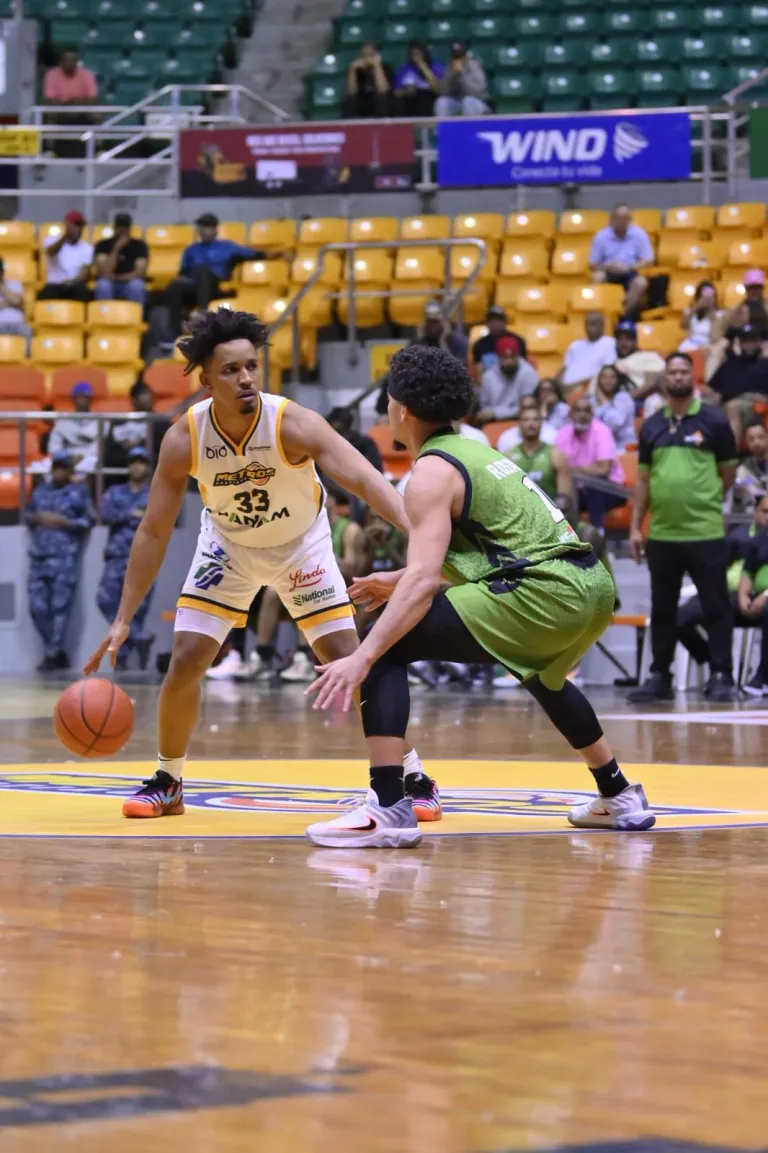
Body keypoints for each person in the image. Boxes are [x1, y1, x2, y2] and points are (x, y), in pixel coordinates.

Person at [83, 309, 436, 823]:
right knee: (185, 661)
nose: (246, 377)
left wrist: (423, 534)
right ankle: (169, 778)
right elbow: (153, 530)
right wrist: (122, 618)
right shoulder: (184, 438)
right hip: (228, 546)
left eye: (251, 366)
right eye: (231, 370)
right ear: (205, 379)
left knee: (351, 661)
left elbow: (365, 481)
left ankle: (413, 774)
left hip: (301, 546)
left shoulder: (291, 422)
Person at [302, 344, 656, 848]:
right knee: (540, 675)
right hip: (590, 585)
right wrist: (398, 578)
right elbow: (488, 553)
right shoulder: (482, 453)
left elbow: (427, 582)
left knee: (384, 645)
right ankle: (618, 793)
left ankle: (387, 807)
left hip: (543, 590)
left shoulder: (429, 472)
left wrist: (362, 656)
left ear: (400, 409)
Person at [628, 351, 739, 703]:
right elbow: (643, 482)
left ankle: (722, 675)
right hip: (662, 533)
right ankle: (660, 675)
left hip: (705, 531)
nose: (677, 377)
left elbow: (729, 473)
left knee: (716, 606)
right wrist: (634, 528)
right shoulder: (652, 425)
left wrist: (703, 499)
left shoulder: (714, 421)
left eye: (683, 372)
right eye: (671, 372)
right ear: (663, 380)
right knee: (662, 609)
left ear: (693, 379)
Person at [677, 493, 768, 695]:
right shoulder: (739, 536)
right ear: (755, 512)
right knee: (680, 618)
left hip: (762, 598)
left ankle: (760, 677)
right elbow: (727, 569)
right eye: (764, 511)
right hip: (731, 595)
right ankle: (716, 664)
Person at [164, 214, 289, 341]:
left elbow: (254, 254)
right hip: (195, 287)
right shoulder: (191, 250)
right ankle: (173, 333)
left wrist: (277, 254)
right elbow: (183, 274)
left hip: (217, 286)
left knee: (202, 270)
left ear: (215, 230)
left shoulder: (226, 247)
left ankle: (203, 312)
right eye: (202, 227)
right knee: (175, 286)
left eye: (208, 227)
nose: (204, 230)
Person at [26, 452, 94, 671]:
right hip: (39, 557)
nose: (59, 472)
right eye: (56, 467)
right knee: (36, 608)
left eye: (64, 468)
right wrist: (39, 518)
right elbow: (28, 515)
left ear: (69, 471)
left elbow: (89, 519)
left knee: (60, 608)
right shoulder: (40, 491)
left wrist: (66, 522)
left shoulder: (78, 492)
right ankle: (53, 650)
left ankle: (53, 654)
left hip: (64, 559)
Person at [97, 446, 154, 670]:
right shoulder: (114, 491)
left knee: (137, 609)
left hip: (144, 557)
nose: (136, 466)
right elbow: (105, 514)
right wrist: (133, 515)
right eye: (133, 462)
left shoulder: (155, 493)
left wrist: (128, 516)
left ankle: (122, 655)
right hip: (116, 555)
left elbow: (158, 518)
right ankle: (138, 638)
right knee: (106, 600)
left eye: (141, 462)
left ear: (148, 467)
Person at [555, 396, 626, 529]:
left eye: (586, 411)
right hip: (578, 491)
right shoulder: (563, 434)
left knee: (594, 485)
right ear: (571, 414)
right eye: (578, 410)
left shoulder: (602, 431)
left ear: (592, 414)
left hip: (611, 490)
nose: (582, 415)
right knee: (557, 493)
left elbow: (603, 469)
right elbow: (558, 467)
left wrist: (573, 471)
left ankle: (598, 533)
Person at [589, 203, 653, 319]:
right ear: (612, 219)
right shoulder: (601, 236)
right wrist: (608, 267)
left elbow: (648, 260)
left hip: (630, 272)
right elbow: (593, 263)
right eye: (619, 218)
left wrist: (630, 267)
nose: (622, 221)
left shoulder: (639, 234)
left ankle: (622, 315)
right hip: (609, 272)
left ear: (630, 220)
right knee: (597, 277)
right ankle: (604, 315)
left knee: (641, 283)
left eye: (626, 218)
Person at [503, 403, 573, 508]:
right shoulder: (508, 456)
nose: (531, 424)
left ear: (541, 423)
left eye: (535, 419)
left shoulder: (555, 454)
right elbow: (503, 493)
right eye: (526, 420)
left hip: (549, 514)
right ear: (519, 424)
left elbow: (564, 497)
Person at [709, 324, 768, 443]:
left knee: (732, 408)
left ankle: (731, 456)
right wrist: (711, 394)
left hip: (756, 404)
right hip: (726, 401)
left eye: (752, 341)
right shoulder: (730, 362)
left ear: (759, 342)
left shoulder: (765, 363)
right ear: (740, 343)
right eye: (745, 341)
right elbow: (711, 386)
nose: (749, 344)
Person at [105, 380, 170, 477]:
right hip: (123, 462)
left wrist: (138, 444)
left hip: (149, 464)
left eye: (149, 394)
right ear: (133, 400)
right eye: (143, 395)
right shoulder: (119, 423)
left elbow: (163, 446)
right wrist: (125, 446)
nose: (148, 398)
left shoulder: (160, 422)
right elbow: (110, 448)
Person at [476, 335, 539, 424]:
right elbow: (484, 406)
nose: (509, 361)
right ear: (498, 357)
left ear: (518, 356)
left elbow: (527, 407)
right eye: (505, 357)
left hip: (522, 420)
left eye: (512, 357)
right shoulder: (488, 376)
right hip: (493, 422)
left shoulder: (529, 374)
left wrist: (496, 413)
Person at [611, 319, 665, 414]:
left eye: (628, 339)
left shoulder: (649, 356)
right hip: (616, 401)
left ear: (635, 341)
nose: (623, 343)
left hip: (640, 401)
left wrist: (625, 399)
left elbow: (651, 383)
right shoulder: (612, 362)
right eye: (620, 338)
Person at [93, 212, 148, 305]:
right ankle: (103, 317)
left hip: (128, 282)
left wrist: (117, 277)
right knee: (103, 285)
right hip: (110, 283)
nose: (122, 230)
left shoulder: (139, 246)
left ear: (130, 228)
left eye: (125, 227)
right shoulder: (103, 245)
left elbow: (139, 273)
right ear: (114, 227)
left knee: (137, 285)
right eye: (119, 226)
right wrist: (116, 249)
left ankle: (136, 318)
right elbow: (104, 272)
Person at [39, 210, 93, 303]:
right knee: (45, 294)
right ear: (66, 225)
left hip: (75, 284)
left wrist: (72, 282)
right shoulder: (51, 240)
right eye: (75, 224)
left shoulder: (87, 248)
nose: (79, 228)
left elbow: (85, 271)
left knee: (84, 292)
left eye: (81, 225)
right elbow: (51, 252)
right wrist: (65, 236)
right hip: (55, 284)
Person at [47, 381, 99, 471]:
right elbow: (54, 447)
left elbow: (99, 447)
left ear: (91, 399)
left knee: (94, 466)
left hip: (90, 460)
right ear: (73, 399)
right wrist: (68, 457)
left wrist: (81, 456)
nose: (82, 400)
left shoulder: (100, 421)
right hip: (64, 461)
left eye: (85, 397)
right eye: (79, 397)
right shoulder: (63, 422)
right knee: (38, 468)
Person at [560, 312, 616, 391]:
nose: (590, 326)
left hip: (588, 389)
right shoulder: (575, 344)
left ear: (603, 325)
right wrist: (557, 385)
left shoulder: (610, 343)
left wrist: (574, 386)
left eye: (594, 323)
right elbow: (564, 368)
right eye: (587, 323)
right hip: (566, 389)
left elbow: (605, 374)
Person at [471, 305, 528, 380]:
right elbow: (480, 370)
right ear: (487, 323)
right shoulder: (479, 344)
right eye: (491, 320)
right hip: (490, 383)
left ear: (505, 321)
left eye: (498, 320)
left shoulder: (517, 341)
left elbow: (522, 366)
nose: (494, 323)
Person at [435, 42, 488, 117]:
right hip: (457, 102)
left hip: (478, 102)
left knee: (468, 101)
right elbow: (443, 92)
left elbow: (476, 92)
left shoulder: (475, 66)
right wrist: (453, 76)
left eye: (460, 56)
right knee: (441, 102)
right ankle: (445, 128)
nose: (458, 59)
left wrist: (462, 74)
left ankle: (470, 128)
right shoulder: (449, 68)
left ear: (465, 56)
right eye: (455, 57)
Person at [343, 41, 393, 119]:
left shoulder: (385, 68)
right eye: (363, 55)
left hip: (379, 103)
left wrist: (376, 66)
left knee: (381, 99)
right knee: (348, 101)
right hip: (362, 101)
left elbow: (383, 90)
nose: (366, 58)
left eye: (370, 55)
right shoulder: (356, 70)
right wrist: (352, 69)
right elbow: (351, 92)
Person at [43, 47, 98, 116]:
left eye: (73, 60)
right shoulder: (52, 74)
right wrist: (67, 103)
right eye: (66, 60)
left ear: (77, 62)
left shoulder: (87, 74)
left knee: (95, 115)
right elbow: (49, 100)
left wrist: (75, 102)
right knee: (51, 114)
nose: (69, 63)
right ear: (61, 62)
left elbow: (92, 99)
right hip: (59, 109)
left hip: (82, 109)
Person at [394, 41, 443, 118]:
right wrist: (406, 91)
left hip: (430, 97)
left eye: (418, 54)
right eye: (413, 54)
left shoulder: (435, 67)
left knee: (425, 98)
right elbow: (396, 92)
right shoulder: (405, 69)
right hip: (410, 98)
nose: (416, 57)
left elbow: (439, 89)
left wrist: (423, 67)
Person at [593, 364, 636, 450]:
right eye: (604, 377)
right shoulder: (593, 401)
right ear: (598, 380)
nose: (608, 380)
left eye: (612, 377)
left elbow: (616, 423)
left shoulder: (623, 397)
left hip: (623, 447)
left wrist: (604, 402)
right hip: (600, 447)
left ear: (618, 380)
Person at [733, 418, 768, 514]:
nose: (756, 442)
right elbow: (747, 484)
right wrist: (738, 491)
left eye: (760, 437)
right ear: (746, 443)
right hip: (754, 514)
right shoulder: (744, 469)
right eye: (751, 439)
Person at [679, 280, 722, 353]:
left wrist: (711, 309)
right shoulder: (690, 311)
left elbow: (715, 334)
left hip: (709, 345)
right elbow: (683, 326)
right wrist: (696, 307)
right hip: (691, 344)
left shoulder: (719, 314)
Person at [0, 256, 31, 346]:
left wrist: (2, 289)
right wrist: (12, 303)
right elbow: (16, 302)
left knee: (27, 332)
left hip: (18, 324)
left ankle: (26, 360)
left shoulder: (15, 283)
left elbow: (21, 304)